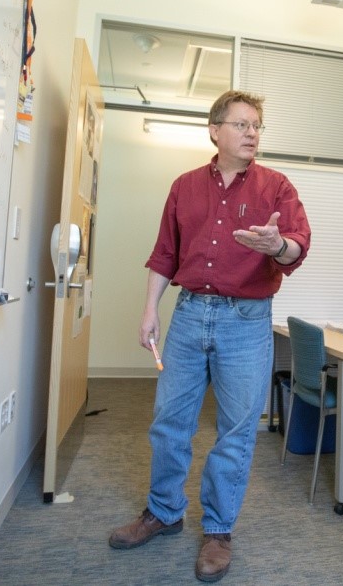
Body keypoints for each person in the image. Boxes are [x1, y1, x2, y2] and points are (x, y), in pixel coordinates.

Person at [109, 90, 311, 582]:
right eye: (242, 124)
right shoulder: (184, 187)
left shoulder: (276, 186)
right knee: (169, 421)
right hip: (189, 315)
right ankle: (164, 513)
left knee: (236, 431)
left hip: (247, 321)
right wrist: (149, 310)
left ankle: (219, 531)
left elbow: (298, 247)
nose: (252, 133)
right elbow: (164, 254)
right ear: (215, 130)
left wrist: (277, 245)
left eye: (257, 126)